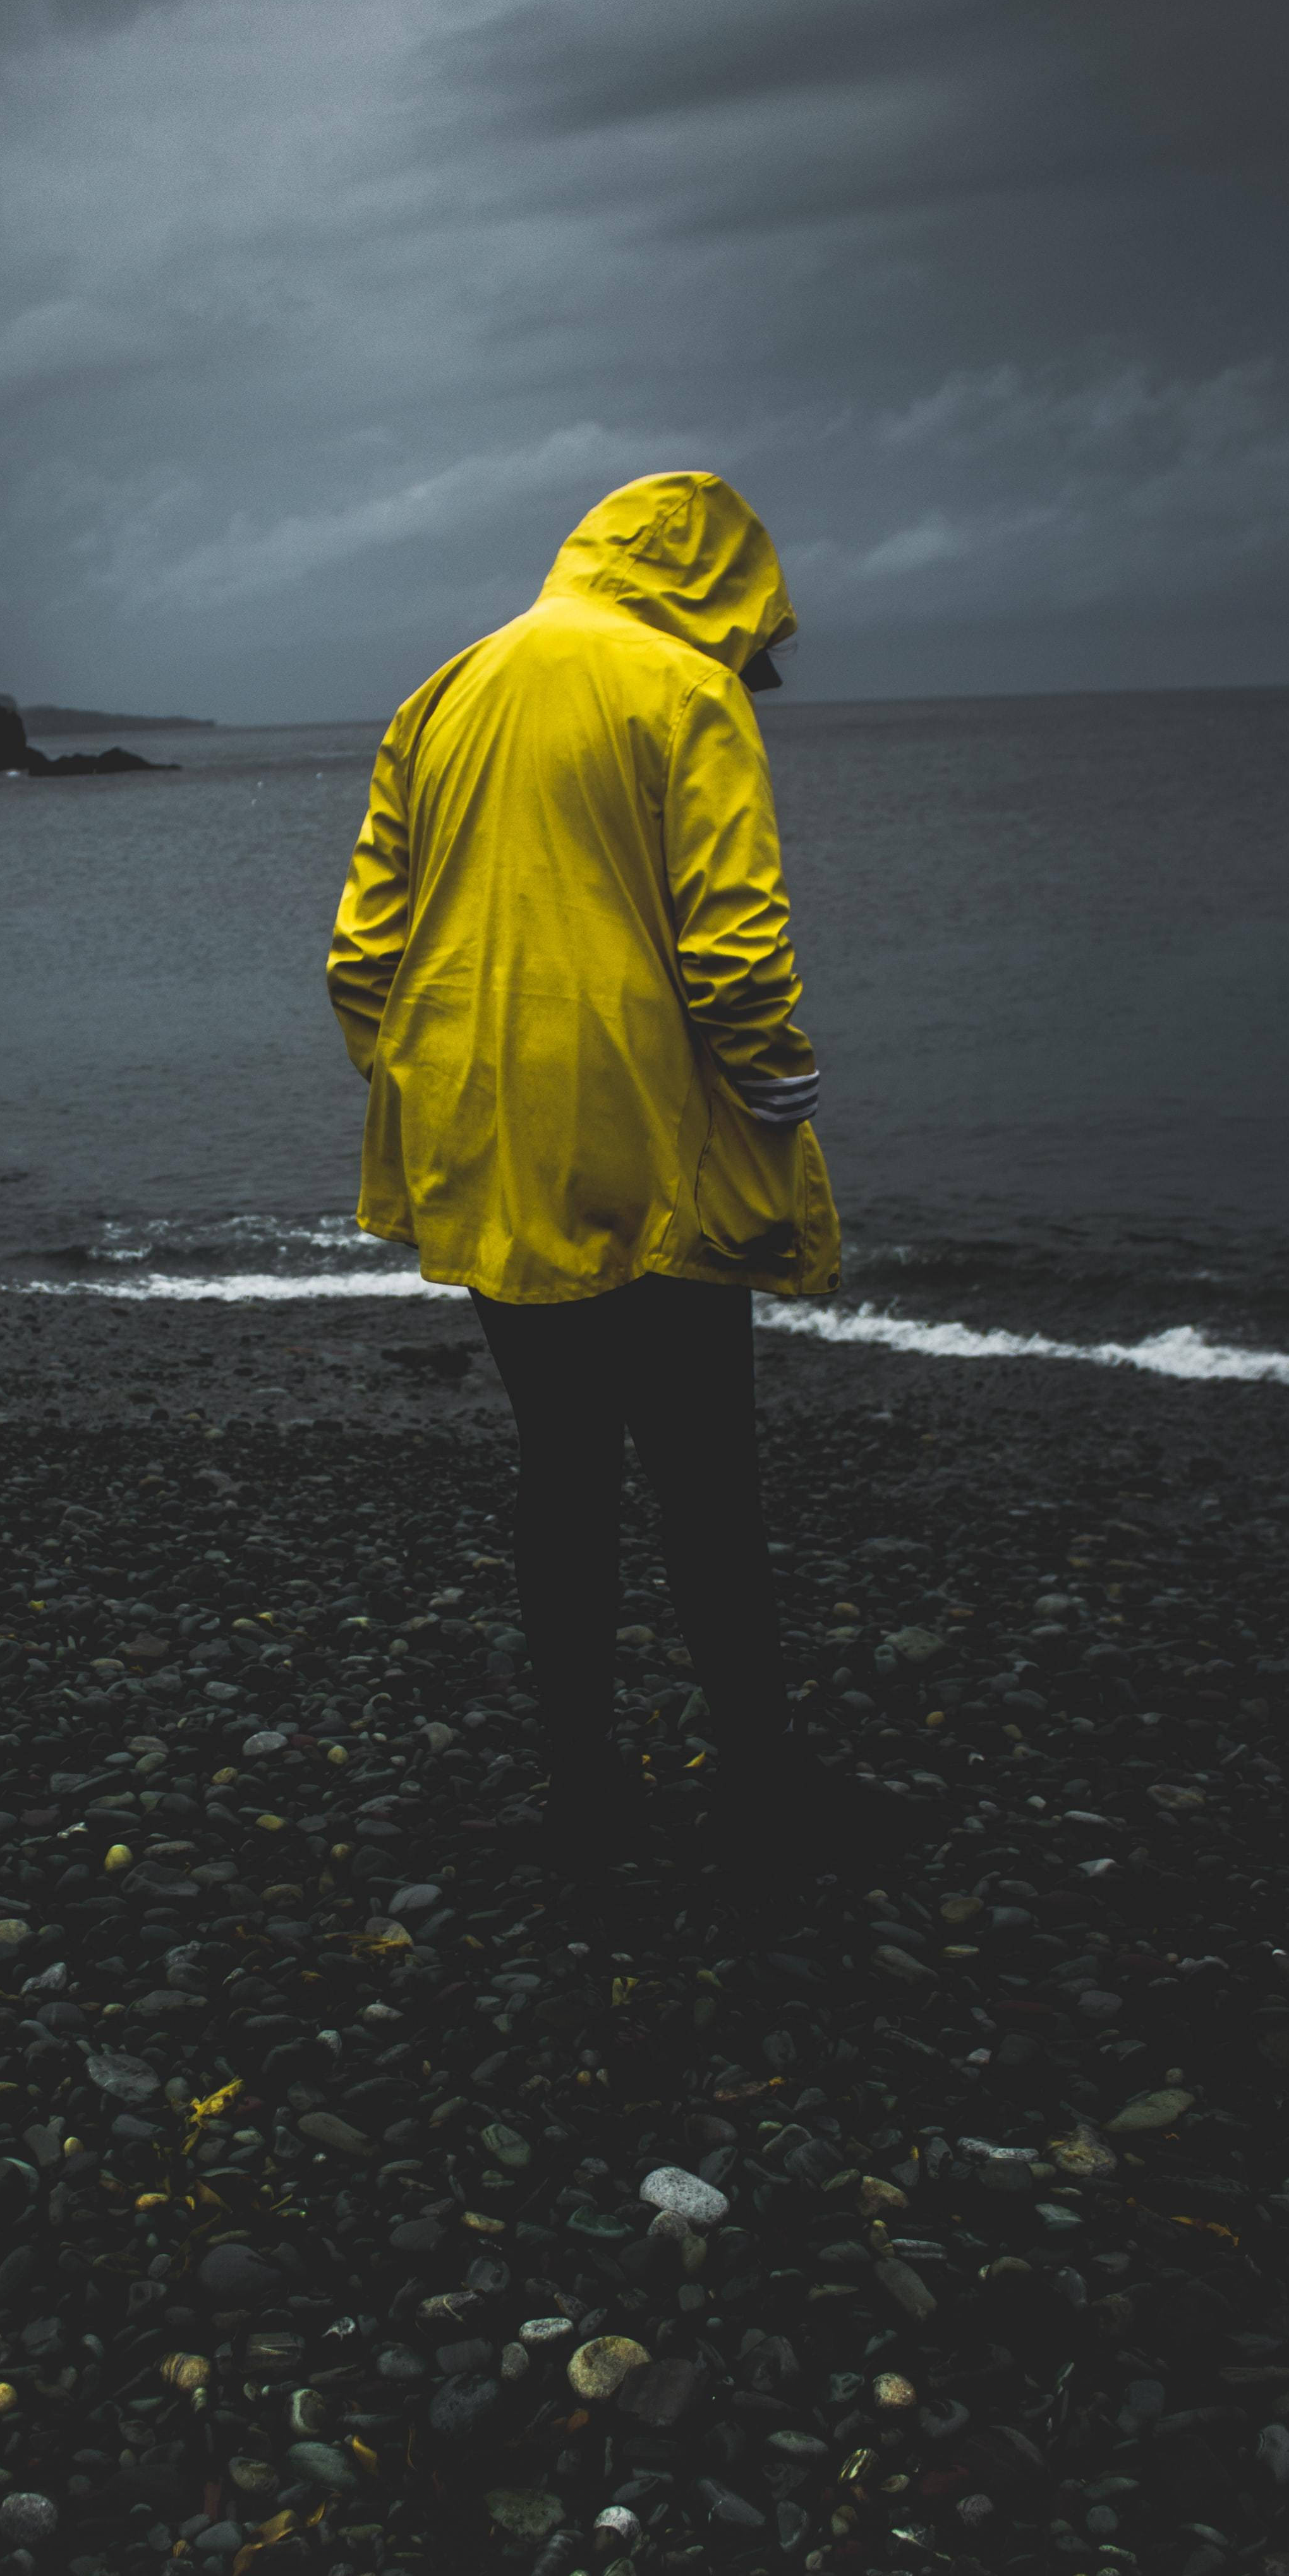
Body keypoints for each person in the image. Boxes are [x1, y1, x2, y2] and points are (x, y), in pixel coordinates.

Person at [326, 471, 839, 1894]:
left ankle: (585, 1796)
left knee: (561, 1459)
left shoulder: (447, 689)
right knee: (702, 1470)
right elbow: (732, 943)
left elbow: (363, 955)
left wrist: (428, 1078)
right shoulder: (682, 688)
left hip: (487, 1132)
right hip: (648, 1127)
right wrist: (779, 1077)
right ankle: (759, 1789)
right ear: (723, 587)